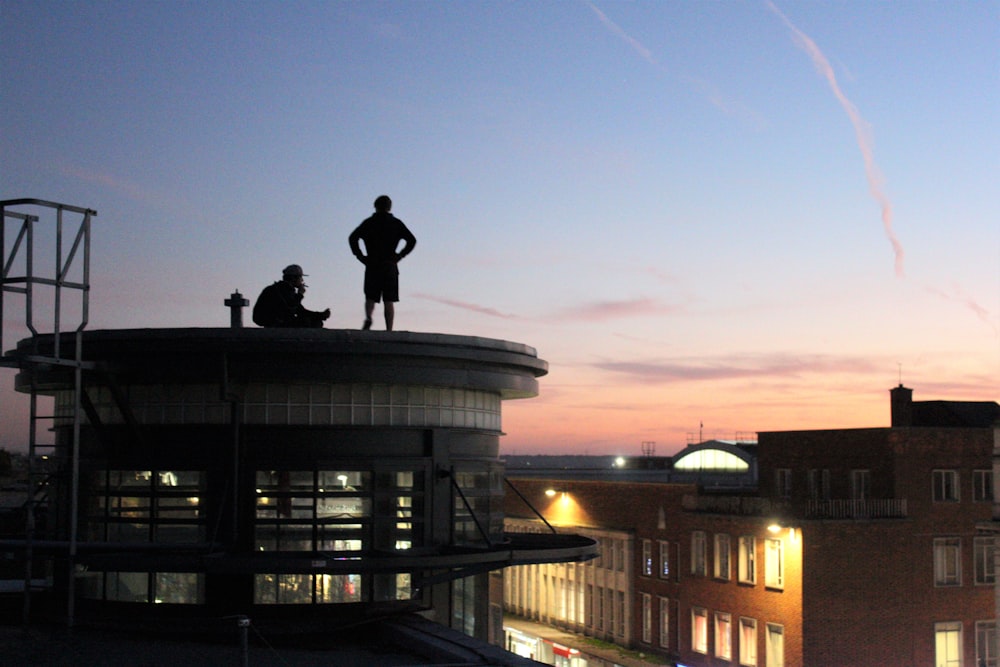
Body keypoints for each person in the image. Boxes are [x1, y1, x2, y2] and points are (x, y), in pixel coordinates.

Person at [348, 195, 417, 331]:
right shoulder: (396, 223)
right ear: (389, 206)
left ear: (376, 206)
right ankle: (389, 329)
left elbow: (353, 238)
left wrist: (360, 256)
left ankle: (368, 317)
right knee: (389, 300)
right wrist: (400, 255)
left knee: (370, 297)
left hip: (372, 263)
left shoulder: (369, 222)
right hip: (389, 263)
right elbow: (412, 240)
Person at [252, 264, 330, 328]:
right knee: (308, 322)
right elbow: (291, 308)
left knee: (315, 322)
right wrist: (300, 294)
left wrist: (320, 315)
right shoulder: (280, 290)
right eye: (300, 277)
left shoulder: (286, 290)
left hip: (279, 321)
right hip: (274, 322)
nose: (302, 280)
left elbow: (300, 310)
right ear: (293, 278)